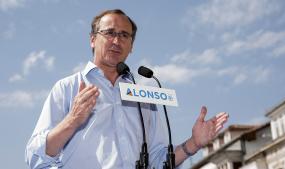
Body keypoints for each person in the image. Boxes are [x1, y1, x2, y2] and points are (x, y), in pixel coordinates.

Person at [25, 9, 229, 169]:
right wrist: (72, 120)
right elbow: (35, 155)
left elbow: (158, 161)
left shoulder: (145, 97)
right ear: (92, 39)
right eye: (109, 33)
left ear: (131, 46)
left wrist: (193, 143)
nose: (116, 40)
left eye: (124, 35)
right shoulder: (67, 88)